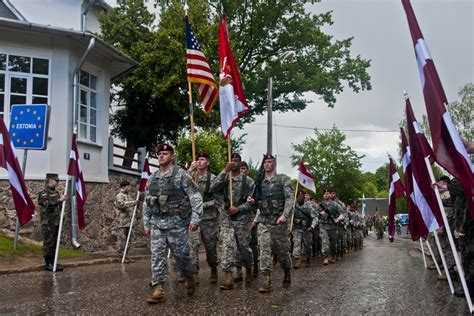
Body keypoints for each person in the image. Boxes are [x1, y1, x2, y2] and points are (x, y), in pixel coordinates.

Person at [144, 144, 203, 304]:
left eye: (165, 153)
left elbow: (195, 197)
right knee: (156, 256)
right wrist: (146, 223)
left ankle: (190, 276)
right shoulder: (152, 178)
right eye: (159, 154)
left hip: (177, 224)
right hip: (157, 224)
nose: (161, 156)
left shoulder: (181, 176)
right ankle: (158, 287)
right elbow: (147, 202)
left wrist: (195, 219)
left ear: (172, 156)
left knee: (182, 257)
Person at [211, 153, 255, 290]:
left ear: (241, 163)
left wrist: (239, 208)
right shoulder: (224, 179)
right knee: (227, 246)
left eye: (236, 160)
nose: (234, 162)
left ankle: (248, 268)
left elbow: (254, 202)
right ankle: (228, 276)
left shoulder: (248, 182)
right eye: (231, 160)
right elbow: (212, 188)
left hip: (242, 219)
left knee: (243, 248)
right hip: (226, 218)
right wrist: (224, 171)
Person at [252, 154, 293, 293]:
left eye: (269, 162)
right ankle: (267, 280)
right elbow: (256, 203)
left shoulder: (283, 180)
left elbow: (289, 199)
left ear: (274, 164)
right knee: (264, 250)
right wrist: (252, 202)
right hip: (264, 221)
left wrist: (285, 215)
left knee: (282, 253)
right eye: (265, 162)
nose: (267, 164)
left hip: (279, 223)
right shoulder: (259, 183)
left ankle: (287, 271)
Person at [187, 151, 220, 284]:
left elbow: (218, 200)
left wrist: (201, 205)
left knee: (210, 247)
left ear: (208, 162)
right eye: (198, 159)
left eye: (202, 159)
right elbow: (180, 185)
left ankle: (213, 268)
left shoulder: (213, 179)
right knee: (192, 246)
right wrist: (190, 170)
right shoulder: (190, 176)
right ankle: (194, 273)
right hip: (193, 218)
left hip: (209, 219)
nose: (200, 162)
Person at [38, 173, 67, 272]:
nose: (57, 182)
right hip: (48, 223)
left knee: (55, 242)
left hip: (55, 222)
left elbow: (57, 207)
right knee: (49, 242)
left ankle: (53, 262)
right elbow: (47, 204)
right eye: (56, 180)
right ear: (50, 180)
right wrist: (59, 200)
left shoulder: (55, 192)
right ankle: (47, 263)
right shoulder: (44, 193)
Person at [240, 160, 260, 278]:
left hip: (251, 217)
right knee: (240, 245)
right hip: (238, 219)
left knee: (253, 244)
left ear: (247, 171)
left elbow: (258, 204)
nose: (242, 171)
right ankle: (242, 269)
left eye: (244, 169)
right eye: (240, 168)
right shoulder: (233, 182)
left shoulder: (252, 184)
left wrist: (255, 220)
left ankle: (255, 266)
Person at [292, 190, 318, 268]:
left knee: (307, 246)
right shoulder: (294, 206)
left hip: (307, 229)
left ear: (304, 198)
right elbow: (289, 216)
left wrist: (312, 226)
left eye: (301, 196)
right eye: (298, 196)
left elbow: (315, 217)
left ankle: (308, 259)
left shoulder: (309, 206)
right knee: (296, 244)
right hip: (297, 228)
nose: (300, 198)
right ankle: (297, 260)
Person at [114, 180, 138, 262]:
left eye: (130, 186)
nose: (130, 188)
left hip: (129, 221)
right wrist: (133, 202)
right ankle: (121, 255)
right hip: (122, 222)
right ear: (123, 187)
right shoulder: (119, 196)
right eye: (128, 186)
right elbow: (121, 204)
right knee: (122, 239)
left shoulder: (128, 195)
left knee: (129, 239)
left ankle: (126, 255)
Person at [317, 188, 341, 265]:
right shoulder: (320, 204)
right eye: (325, 194)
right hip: (323, 226)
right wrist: (320, 213)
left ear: (330, 195)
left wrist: (338, 219)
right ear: (323, 195)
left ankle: (333, 255)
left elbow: (343, 214)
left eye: (328, 193)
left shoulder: (335, 204)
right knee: (325, 242)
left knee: (333, 243)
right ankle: (326, 257)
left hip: (333, 226)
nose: (326, 195)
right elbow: (314, 214)